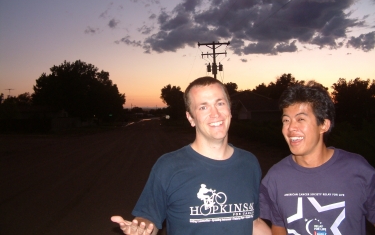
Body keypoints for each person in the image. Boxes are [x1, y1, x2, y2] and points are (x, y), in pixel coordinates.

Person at [112, 76, 271, 235]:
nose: (215, 113)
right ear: (191, 118)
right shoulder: (168, 166)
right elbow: (148, 220)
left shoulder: (249, 163)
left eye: (220, 103)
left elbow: (253, 222)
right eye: (203, 107)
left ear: (229, 110)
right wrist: (140, 229)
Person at [259, 81, 375, 235]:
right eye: (286, 120)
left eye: (300, 119)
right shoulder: (275, 177)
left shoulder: (358, 170)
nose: (290, 127)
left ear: (324, 125)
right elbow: (278, 226)